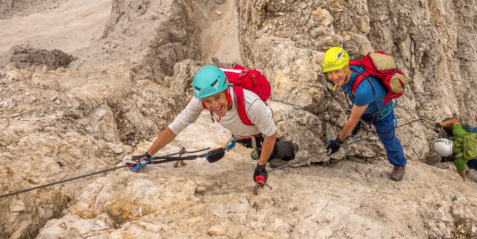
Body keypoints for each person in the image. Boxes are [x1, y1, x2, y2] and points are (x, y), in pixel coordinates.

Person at [130, 65, 298, 186]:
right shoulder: (201, 99)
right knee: (255, 148)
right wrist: (147, 154)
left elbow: (270, 134)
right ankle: (256, 148)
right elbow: (176, 126)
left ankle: (291, 149)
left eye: (217, 98)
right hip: (241, 134)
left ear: (226, 91)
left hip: (259, 134)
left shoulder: (251, 104)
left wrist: (261, 167)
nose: (214, 105)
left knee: (272, 151)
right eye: (208, 101)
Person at [321, 46, 407, 181]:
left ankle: (399, 164)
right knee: (355, 118)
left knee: (388, 139)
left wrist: (338, 142)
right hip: (365, 107)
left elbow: (352, 120)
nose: (333, 77)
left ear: (346, 67)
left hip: (381, 114)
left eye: (337, 71)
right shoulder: (349, 70)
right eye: (330, 73)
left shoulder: (363, 90)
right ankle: (359, 123)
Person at [434, 117, 477, 189]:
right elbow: (464, 174)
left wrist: (441, 125)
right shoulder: (460, 159)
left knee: (452, 123)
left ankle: (445, 131)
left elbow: (454, 122)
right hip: (475, 153)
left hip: (468, 138)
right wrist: (440, 124)